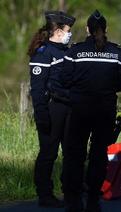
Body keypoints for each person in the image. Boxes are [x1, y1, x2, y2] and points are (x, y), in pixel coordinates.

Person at [61, 10, 121, 212]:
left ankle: (73, 201)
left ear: (87, 29)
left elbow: (64, 79)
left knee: (75, 155)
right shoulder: (117, 53)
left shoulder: (74, 52)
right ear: (105, 30)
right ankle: (93, 200)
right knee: (99, 156)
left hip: (79, 111)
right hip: (105, 111)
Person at [28, 10, 75, 208]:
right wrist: (41, 115)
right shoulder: (43, 52)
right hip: (51, 108)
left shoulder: (67, 51)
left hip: (68, 108)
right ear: (57, 30)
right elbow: (38, 88)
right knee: (48, 152)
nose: (70, 34)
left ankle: (71, 190)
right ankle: (45, 194)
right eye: (68, 30)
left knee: (72, 152)